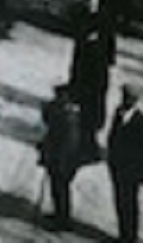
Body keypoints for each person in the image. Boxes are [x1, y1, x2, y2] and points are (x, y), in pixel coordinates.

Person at [105, 86, 143, 243]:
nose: (125, 100)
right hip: (117, 167)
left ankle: (131, 237)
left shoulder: (142, 121)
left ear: (135, 101)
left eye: (129, 98)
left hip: (132, 170)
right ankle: (123, 235)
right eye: (124, 97)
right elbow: (112, 137)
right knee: (120, 202)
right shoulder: (118, 113)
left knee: (130, 204)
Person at [37, 83, 86, 231]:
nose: (57, 98)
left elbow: (69, 142)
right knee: (56, 188)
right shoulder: (60, 110)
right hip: (55, 156)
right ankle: (59, 214)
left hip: (64, 160)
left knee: (61, 189)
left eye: (59, 96)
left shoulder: (69, 115)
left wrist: (59, 160)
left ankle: (63, 220)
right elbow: (47, 120)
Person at [67, 11, 114, 162]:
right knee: (85, 118)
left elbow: (109, 57)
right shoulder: (82, 34)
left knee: (92, 118)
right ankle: (85, 146)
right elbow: (76, 62)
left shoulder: (103, 30)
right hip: (85, 84)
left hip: (94, 86)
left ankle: (89, 148)